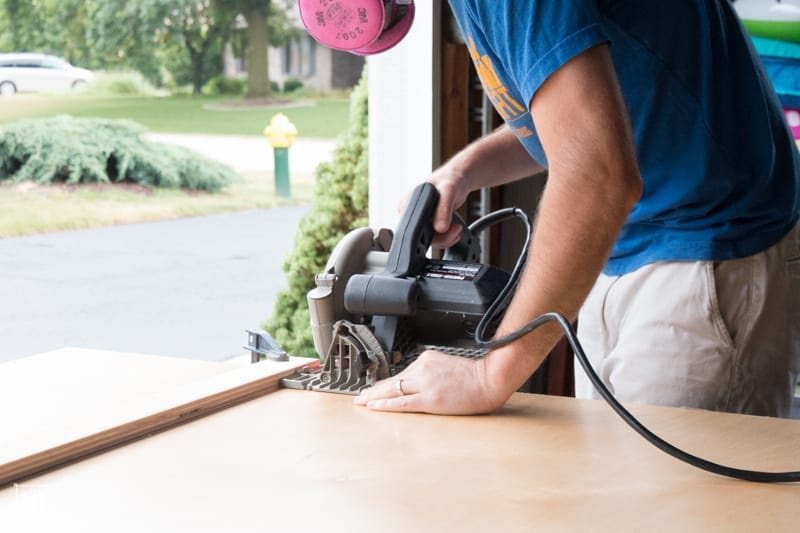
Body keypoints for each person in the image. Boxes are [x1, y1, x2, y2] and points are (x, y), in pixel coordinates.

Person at [347, 1, 800, 418]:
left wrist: (489, 376)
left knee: (670, 502)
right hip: (628, 240)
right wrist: (465, 171)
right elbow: (578, 123)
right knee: (610, 485)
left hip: (706, 246)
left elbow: (598, 175)